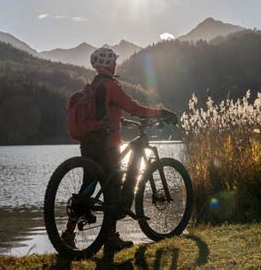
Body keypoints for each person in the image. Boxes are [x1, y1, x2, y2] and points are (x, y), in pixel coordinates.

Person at [61, 47, 177, 251]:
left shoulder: (93, 86)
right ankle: (111, 238)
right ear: (109, 64)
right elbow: (135, 108)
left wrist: (122, 120)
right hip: (108, 145)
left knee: (87, 189)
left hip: (89, 144)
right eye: (114, 62)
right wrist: (160, 112)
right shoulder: (110, 85)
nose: (116, 65)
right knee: (114, 188)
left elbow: (102, 114)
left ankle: (69, 233)